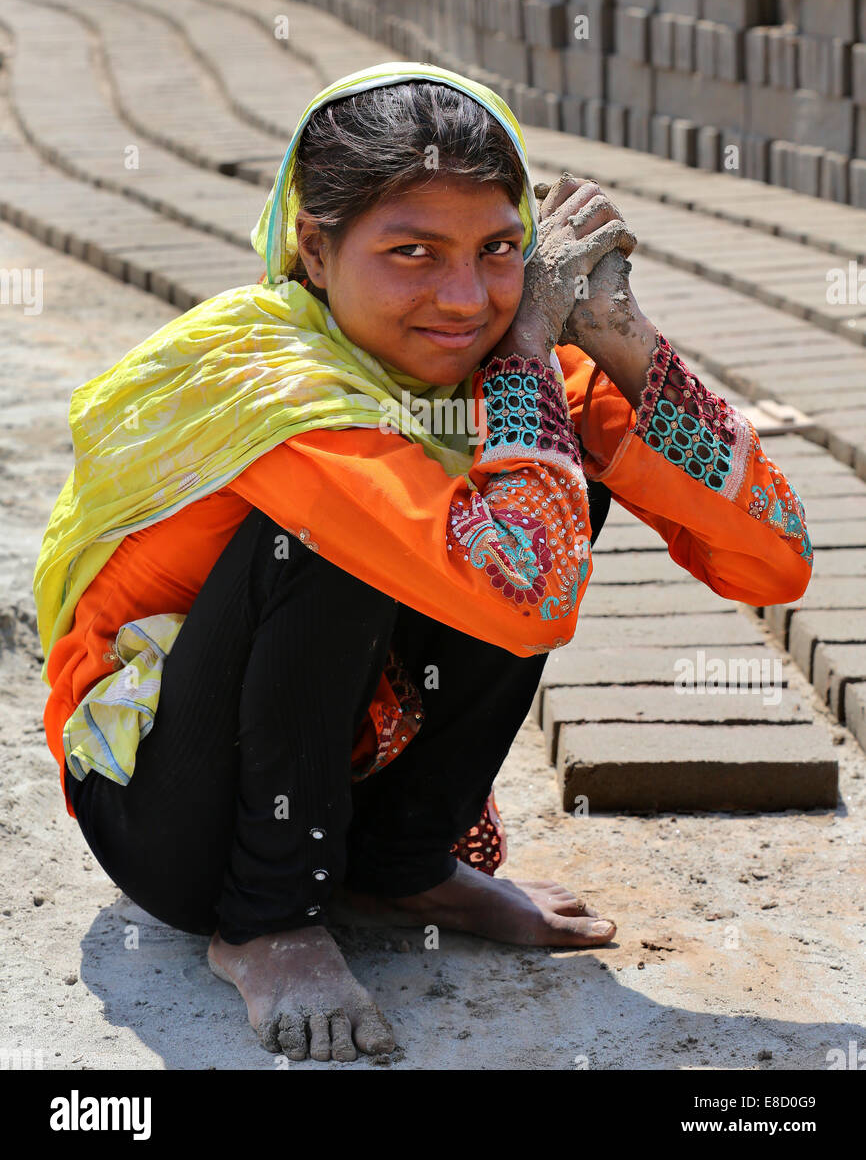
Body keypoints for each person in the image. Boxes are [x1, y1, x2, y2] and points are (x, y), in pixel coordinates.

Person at [33, 61, 813, 1064]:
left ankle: (402, 866)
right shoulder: (279, 391)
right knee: (352, 534)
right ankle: (268, 919)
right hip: (172, 811)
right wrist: (529, 359)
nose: (462, 298)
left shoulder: (506, 369)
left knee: (548, 472)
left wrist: (616, 334)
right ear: (315, 249)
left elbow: (773, 562)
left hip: (348, 761)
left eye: (497, 250)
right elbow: (526, 597)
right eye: (411, 253)